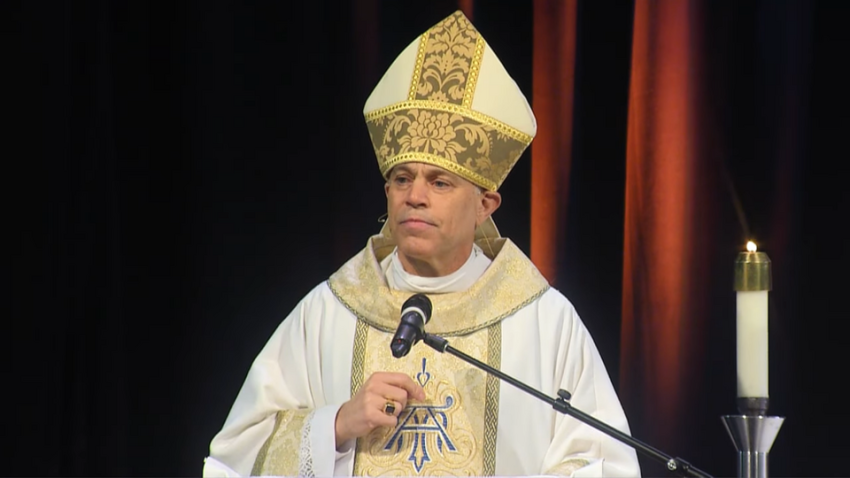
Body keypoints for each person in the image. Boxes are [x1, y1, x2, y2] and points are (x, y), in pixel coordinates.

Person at [203, 10, 640, 477]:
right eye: (401, 178)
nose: (414, 195)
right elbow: (234, 462)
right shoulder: (330, 312)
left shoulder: (543, 322)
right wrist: (336, 424)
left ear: (485, 205)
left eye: (440, 182)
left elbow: (600, 463)